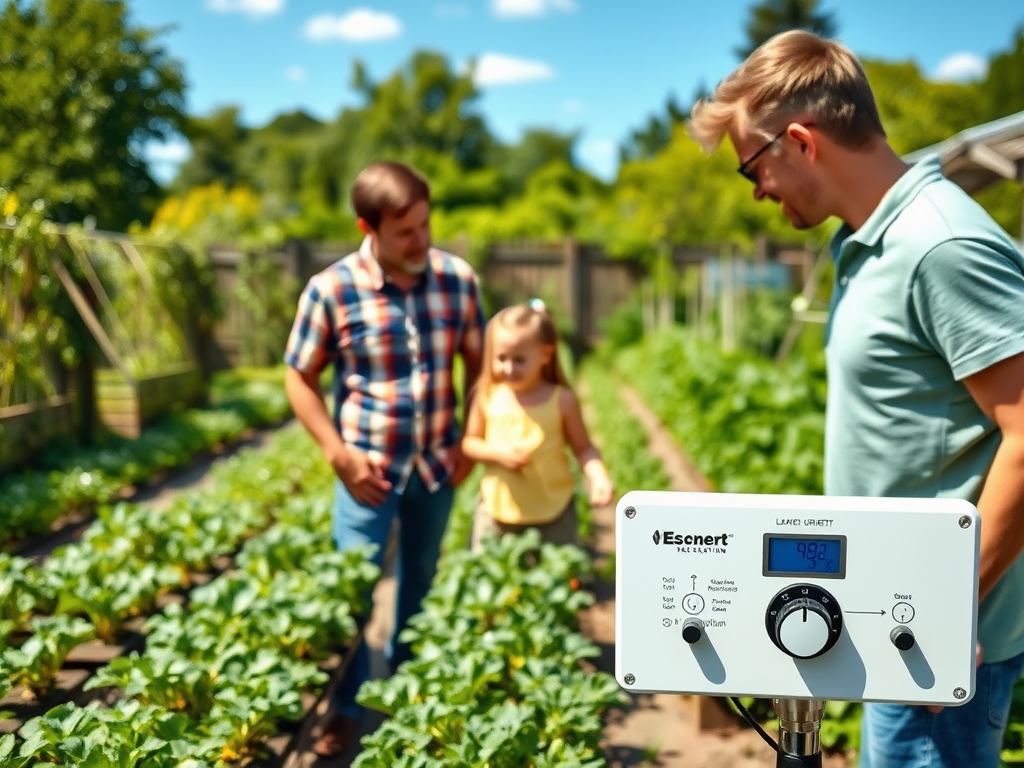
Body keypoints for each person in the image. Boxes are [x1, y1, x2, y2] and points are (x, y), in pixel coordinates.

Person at [689, 29, 1024, 768]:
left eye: (752, 166)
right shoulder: (867, 242)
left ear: (800, 142)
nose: (756, 190)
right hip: (895, 615)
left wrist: (944, 603)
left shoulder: (940, 247)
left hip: (937, 635)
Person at [283, 160, 485, 758]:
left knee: (419, 584)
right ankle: (343, 710)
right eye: (405, 232)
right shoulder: (331, 288)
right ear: (366, 226)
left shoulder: (457, 279)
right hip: (366, 471)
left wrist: (468, 438)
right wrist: (337, 454)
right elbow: (299, 376)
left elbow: (479, 366)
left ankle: (406, 695)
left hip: (435, 467)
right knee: (355, 589)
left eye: (425, 225)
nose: (421, 240)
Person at [462, 299, 614, 551]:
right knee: (493, 577)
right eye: (501, 358)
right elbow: (470, 443)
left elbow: (584, 449)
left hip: (553, 510)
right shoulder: (487, 395)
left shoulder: (562, 400)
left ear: (545, 354)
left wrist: (598, 475)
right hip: (497, 509)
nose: (508, 368)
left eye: (519, 360)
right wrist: (497, 454)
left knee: (558, 576)